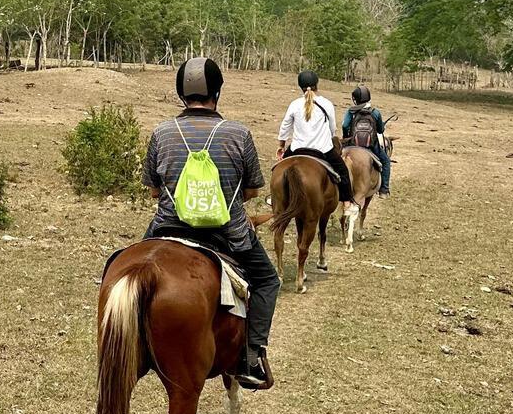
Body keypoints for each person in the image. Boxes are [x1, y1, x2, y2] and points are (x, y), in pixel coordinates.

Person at [139, 57, 280, 391]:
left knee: (119, 269)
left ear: (180, 93)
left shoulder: (161, 133)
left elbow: (154, 190)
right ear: (217, 91)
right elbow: (251, 190)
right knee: (267, 280)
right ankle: (251, 356)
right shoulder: (239, 133)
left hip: (167, 228)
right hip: (228, 234)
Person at [276, 70, 353, 206]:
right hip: (323, 150)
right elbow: (332, 129)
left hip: (297, 149)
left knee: (277, 170)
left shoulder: (294, 104)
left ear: (300, 86)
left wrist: (281, 145)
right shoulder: (327, 104)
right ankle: (347, 202)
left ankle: (274, 198)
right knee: (343, 171)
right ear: (317, 84)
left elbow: (285, 127)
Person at [342, 84, 391, 197]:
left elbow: (345, 125)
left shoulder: (351, 111)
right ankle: (384, 189)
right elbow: (380, 130)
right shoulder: (375, 112)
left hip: (353, 144)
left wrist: (346, 138)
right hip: (371, 145)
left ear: (355, 99)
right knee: (386, 161)